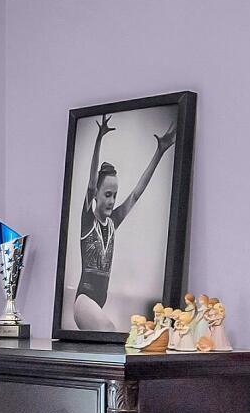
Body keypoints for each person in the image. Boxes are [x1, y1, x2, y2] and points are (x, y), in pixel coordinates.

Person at [68, 117, 175, 332]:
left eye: (114, 195)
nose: (112, 201)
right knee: (109, 329)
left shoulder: (113, 222)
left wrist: (160, 152)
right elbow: (90, 184)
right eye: (107, 194)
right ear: (96, 195)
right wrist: (99, 139)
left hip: (98, 302)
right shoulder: (88, 221)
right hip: (84, 299)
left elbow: (136, 193)